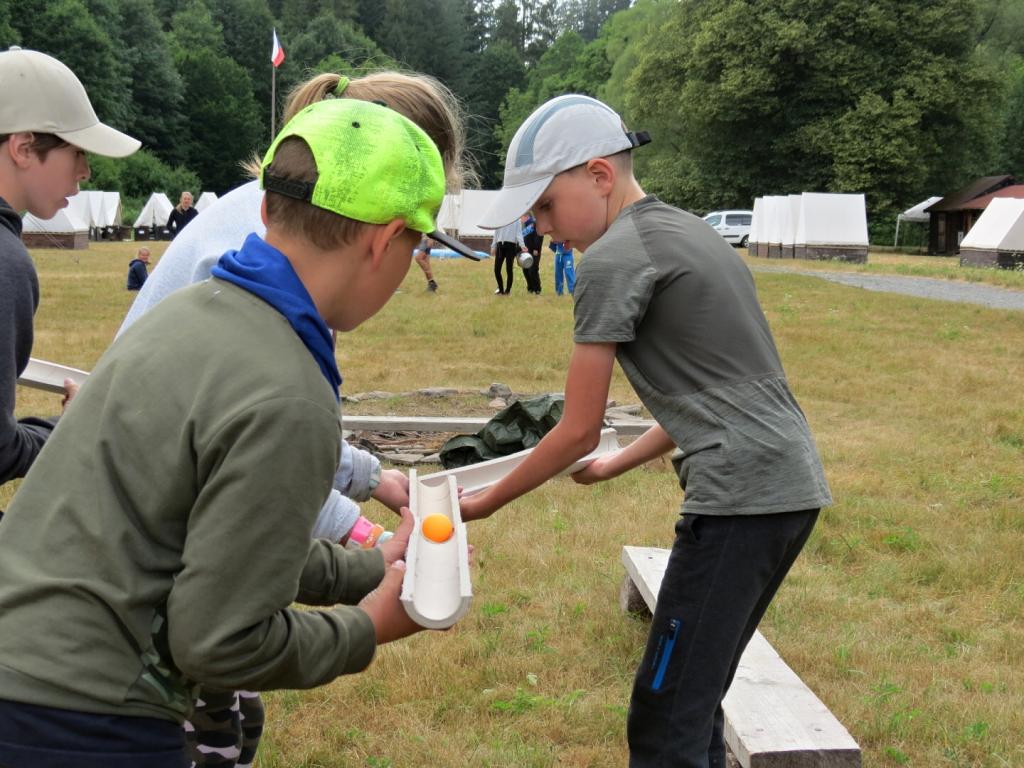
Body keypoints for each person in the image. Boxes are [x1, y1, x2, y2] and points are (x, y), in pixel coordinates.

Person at [0, 97, 479, 768]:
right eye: (415, 247)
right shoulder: (287, 391)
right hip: (85, 721)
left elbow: (223, 540)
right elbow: (218, 642)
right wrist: (369, 627)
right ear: (384, 239)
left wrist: (372, 568)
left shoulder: (188, 315)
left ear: (268, 209)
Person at [466, 94, 832, 768]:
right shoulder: (690, 232)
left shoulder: (611, 260)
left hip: (738, 498)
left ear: (599, 175)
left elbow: (577, 430)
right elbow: (708, 393)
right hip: (788, 488)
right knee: (694, 700)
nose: (541, 228)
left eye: (545, 206)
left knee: (665, 720)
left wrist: (483, 501)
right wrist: (616, 465)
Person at [0, 47, 139, 497]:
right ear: (23, 148)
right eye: (76, 151)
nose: (85, 171)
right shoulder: (6, 262)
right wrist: (72, 428)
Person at [489, 216, 526, 295]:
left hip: (511, 246)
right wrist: (493, 246)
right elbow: (496, 233)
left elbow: (519, 233)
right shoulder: (499, 218)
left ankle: (507, 291)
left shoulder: (516, 219)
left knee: (509, 269)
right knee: (496, 269)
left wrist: (522, 245)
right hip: (500, 245)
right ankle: (501, 289)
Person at [521, 213, 543, 294]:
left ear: (526, 216)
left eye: (521, 217)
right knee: (525, 270)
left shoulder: (535, 223)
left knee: (533, 270)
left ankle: (537, 289)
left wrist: (536, 248)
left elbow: (539, 235)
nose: (521, 220)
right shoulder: (524, 226)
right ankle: (530, 288)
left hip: (534, 251)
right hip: (525, 251)